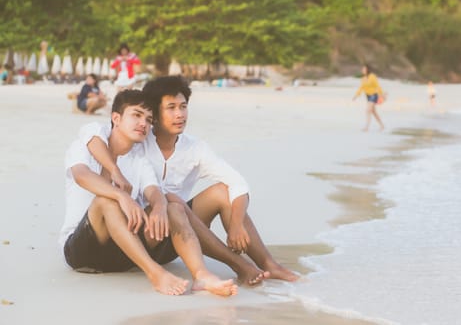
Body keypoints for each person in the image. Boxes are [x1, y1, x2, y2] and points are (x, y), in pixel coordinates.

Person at [82, 76, 299, 283]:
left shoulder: (195, 148)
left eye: (183, 106)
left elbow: (238, 183)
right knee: (173, 202)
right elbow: (97, 136)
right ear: (154, 113)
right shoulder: (138, 138)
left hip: (178, 233)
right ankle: (239, 265)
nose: (180, 114)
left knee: (222, 193)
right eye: (171, 108)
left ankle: (268, 263)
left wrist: (235, 224)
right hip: (140, 231)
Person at [60, 89, 238, 296]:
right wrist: (121, 195)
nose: (143, 123)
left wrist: (161, 206)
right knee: (106, 201)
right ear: (116, 118)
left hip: (124, 254)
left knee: (173, 208)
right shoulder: (84, 146)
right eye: (136, 115)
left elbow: (153, 190)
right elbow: (81, 175)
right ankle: (156, 274)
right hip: (83, 252)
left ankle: (202, 275)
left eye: (149, 119)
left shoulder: (139, 160)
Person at [352, 64, 385, 131]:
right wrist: (356, 95)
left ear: (367, 70)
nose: (362, 70)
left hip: (374, 95)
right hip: (368, 96)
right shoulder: (363, 78)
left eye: (364, 69)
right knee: (373, 112)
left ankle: (366, 127)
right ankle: (382, 125)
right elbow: (361, 88)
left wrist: (381, 94)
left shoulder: (372, 76)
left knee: (368, 110)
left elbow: (377, 86)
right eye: (362, 69)